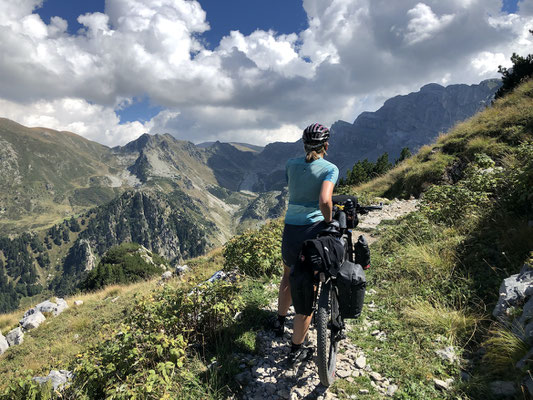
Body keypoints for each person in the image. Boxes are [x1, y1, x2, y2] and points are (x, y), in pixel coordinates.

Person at [273, 122, 339, 363]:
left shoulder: (291, 165)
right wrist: (329, 221)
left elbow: (297, 191)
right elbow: (324, 200)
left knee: (288, 275)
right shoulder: (330, 168)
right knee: (307, 286)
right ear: (326, 145)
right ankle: (296, 348)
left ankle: (279, 321)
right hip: (311, 231)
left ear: (303, 144)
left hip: (290, 229)